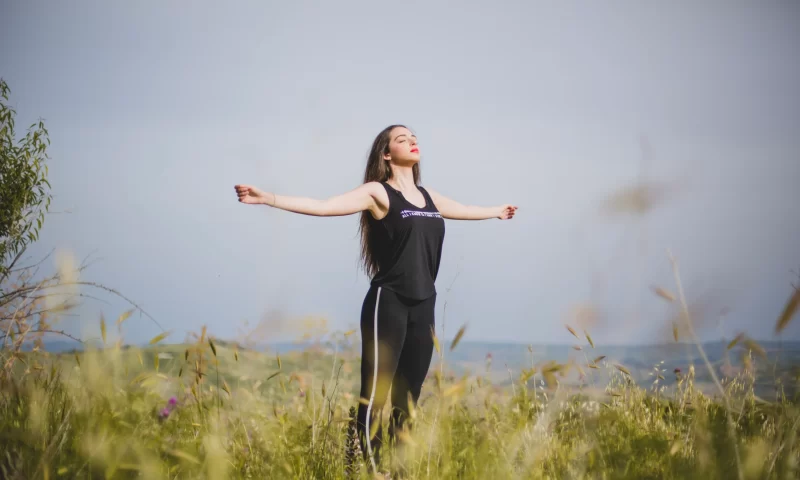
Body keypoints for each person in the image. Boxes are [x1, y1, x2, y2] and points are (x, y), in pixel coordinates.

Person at [234, 125, 517, 472]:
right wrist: (269, 198)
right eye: (402, 139)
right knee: (376, 393)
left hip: (424, 303)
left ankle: (395, 469)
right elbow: (324, 206)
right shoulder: (378, 193)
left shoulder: (429, 197)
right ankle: (368, 470)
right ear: (386, 154)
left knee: (408, 397)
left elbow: (466, 208)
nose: (412, 141)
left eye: (414, 137)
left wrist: (496, 211)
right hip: (390, 301)